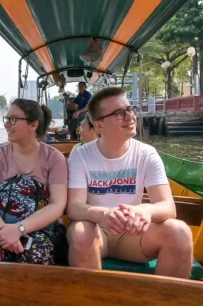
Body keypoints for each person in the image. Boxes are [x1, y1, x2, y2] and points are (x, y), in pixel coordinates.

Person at [66, 87, 193, 278]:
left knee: (179, 232)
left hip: (133, 235)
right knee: (80, 233)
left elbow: (168, 207)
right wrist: (103, 215)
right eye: (119, 113)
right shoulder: (81, 155)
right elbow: (74, 208)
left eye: (130, 109)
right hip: (97, 232)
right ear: (99, 126)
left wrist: (145, 210)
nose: (130, 117)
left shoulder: (146, 154)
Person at [0, 98, 68, 264]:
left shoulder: (54, 158)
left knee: (35, 253)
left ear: (33, 125)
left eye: (14, 119)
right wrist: (3, 230)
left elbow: (57, 205)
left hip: (39, 228)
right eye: (7, 119)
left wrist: (19, 229)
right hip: (0, 225)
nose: (7, 124)